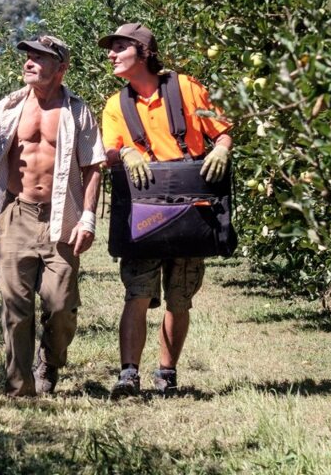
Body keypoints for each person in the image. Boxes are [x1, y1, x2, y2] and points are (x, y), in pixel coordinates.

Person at [0, 35, 105, 397]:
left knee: (61, 305)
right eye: (29, 55)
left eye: (41, 57)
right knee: (16, 306)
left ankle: (49, 361)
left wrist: (89, 218)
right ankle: (20, 385)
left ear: (61, 68)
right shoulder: (9, 107)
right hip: (17, 213)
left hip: (61, 216)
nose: (30, 62)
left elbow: (93, 166)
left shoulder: (77, 111)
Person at [97, 23, 232, 398]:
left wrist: (221, 147)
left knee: (179, 297)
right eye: (111, 48)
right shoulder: (115, 105)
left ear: (143, 52)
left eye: (120, 47)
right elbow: (109, 152)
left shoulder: (188, 88)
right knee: (137, 293)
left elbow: (221, 130)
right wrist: (124, 152)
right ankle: (128, 375)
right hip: (146, 213)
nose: (111, 54)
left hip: (192, 212)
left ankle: (166, 374)